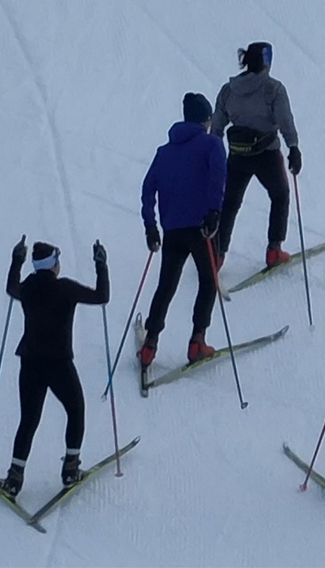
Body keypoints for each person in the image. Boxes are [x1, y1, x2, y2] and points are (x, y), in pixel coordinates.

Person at [0, 239, 109, 497]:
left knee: (28, 420)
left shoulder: (28, 287)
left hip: (30, 362)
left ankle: (14, 478)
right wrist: (101, 266)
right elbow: (102, 297)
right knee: (76, 410)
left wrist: (16, 260)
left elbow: (11, 287)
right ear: (54, 265)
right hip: (59, 365)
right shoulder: (65, 289)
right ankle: (70, 470)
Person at [139, 93, 226, 366]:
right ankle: (197, 341)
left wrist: (151, 227)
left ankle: (150, 344)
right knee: (208, 281)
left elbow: (147, 189)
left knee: (166, 285)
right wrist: (213, 212)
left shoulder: (164, 152)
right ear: (205, 119)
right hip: (202, 229)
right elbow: (218, 178)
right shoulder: (212, 145)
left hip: (172, 230)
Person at [210, 41, 301, 268]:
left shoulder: (229, 90)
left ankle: (217, 254)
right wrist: (294, 147)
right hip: (267, 154)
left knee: (230, 202)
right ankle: (274, 250)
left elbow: (217, 126)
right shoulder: (274, 89)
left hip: (237, 155)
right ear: (267, 61)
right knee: (279, 195)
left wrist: (213, 153)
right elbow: (285, 120)